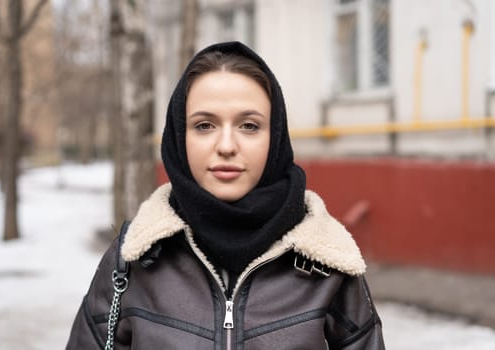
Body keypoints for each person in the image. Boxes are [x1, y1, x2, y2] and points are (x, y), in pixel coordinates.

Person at [66, 41, 385, 349]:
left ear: (275, 136)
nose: (227, 146)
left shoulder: (328, 261)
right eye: (205, 125)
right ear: (179, 136)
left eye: (249, 125)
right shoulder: (134, 258)